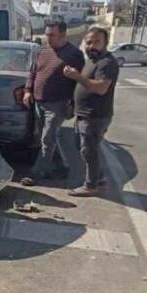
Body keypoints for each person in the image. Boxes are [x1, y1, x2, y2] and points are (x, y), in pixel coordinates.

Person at [20, 20, 85, 186]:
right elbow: (33, 72)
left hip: (58, 103)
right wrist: (28, 90)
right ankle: (62, 166)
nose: (47, 38)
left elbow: (78, 81)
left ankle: (36, 173)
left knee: (47, 139)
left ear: (63, 35)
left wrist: (73, 104)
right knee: (48, 138)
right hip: (38, 101)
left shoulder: (74, 54)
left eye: (51, 35)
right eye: (46, 34)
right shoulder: (43, 50)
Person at [62, 26, 119, 197]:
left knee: (89, 150)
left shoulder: (106, 63)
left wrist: (76, 76)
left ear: (105, 43)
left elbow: (101, 88)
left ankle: (91, 185)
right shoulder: (92, 60)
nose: (91, 46)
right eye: (88, 42)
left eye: (97, 42)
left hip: (95, 115)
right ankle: (98, 179)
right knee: (84, 148)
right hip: (84, 114)